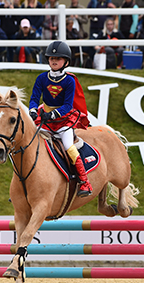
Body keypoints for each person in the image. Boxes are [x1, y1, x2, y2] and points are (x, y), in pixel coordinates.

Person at [28, 41, 92, 197]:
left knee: (69, 147)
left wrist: (53, 115)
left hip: (63, 121)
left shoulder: (69, 81)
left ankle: (85, 182)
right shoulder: (42, 78)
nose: (54, 61)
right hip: (45, 119)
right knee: (30, 145)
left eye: (58, 58)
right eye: (51, 58)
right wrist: (33, 110)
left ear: (66, 62)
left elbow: (68, 106)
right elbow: (35, 97)